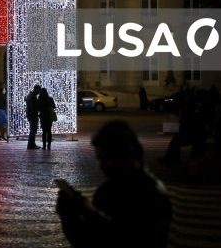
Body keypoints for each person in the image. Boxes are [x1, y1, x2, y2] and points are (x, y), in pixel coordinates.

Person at [56, 120, 171, 248]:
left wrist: (75, 216)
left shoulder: (146, 195)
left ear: (128, 154)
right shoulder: (116, 188)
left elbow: (112, 238)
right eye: (100, 158)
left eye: (109, 157)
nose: (103, 165)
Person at [25, 84, 42, 149]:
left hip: (31, 115)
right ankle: (31, 145)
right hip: (32, 115)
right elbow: (33, 107)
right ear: (36, 89)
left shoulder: (31, 95)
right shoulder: (32, 96)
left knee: (33, 130)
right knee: (33, 130)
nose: (39, 92)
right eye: (39, 90)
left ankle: (32, 144)